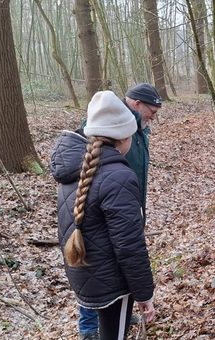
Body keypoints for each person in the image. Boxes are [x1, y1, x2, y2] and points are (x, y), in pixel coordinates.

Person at [51, 91, 158, 340]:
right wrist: (144, 294)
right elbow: (129, 246)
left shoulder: (76, 170)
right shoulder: (118, 176)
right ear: (123, 137)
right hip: (113, 282)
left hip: (85, 273)